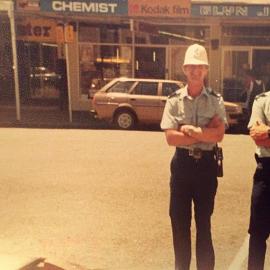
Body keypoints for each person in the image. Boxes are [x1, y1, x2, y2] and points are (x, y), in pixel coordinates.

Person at [160, 44, 227, 270]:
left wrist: (190, 130)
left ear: (206, 70)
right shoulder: (174, 99)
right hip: (182, 167)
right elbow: (171, 138)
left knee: (204, 225)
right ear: (184, 69)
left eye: (200, 67)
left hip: (206, 168)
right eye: (191, 67)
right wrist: (203, 134)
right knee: (179, 224)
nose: (195, 71)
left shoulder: (215, 100)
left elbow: (219, 134)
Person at [247, 91, 270, 270]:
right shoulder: (262, 100)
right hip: (265, 174)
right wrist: (263, 135)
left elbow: (265, 136)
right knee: (257, 234)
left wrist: (268, 131)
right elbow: (257, 137)